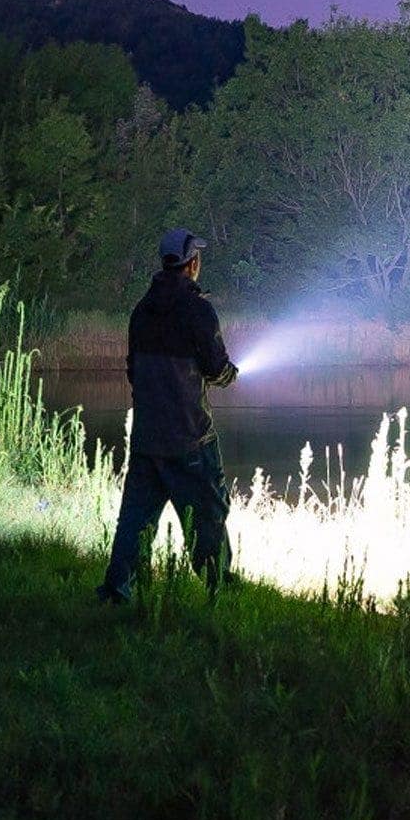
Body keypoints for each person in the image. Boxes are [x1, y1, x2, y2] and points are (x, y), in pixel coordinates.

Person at [96, 227, 239, 604]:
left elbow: (133, 371)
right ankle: (217, 586)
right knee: (208, 512)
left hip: (147, 438)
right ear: (192, 264)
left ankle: (116, 589)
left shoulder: (141, 311)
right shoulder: (198, 310)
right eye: (199, 258)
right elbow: (215, 368)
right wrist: (229, 375)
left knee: (135, 519)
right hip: (190, 437)